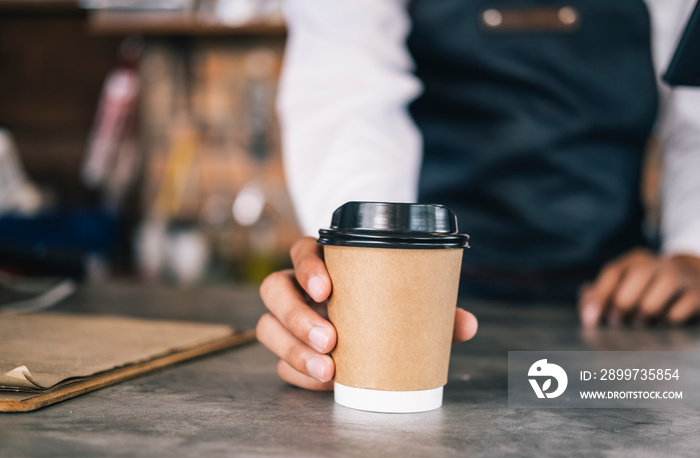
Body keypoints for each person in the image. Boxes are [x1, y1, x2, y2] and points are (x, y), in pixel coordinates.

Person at [257, 0, 700, 390]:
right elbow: (347, 95)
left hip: (621, 309)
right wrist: (361, 279)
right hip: (436, 305)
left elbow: (694, 120)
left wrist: (691, 253)